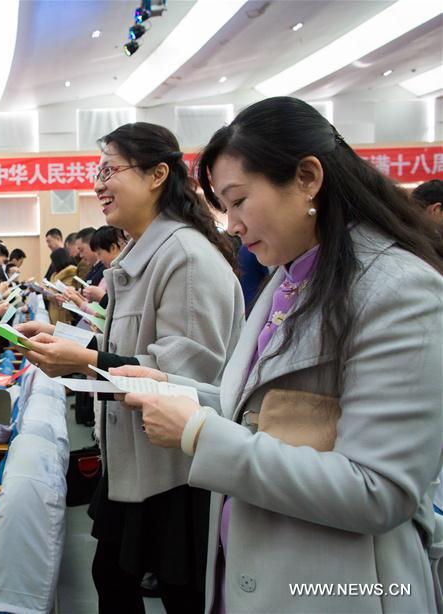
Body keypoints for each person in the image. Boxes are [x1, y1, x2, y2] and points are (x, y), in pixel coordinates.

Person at [118, 97, 443, 613]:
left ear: (308, 178)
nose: (231, 224)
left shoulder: (398, 290)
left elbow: (377, 489)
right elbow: (266, 411)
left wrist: (198, 433)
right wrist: (176, 391)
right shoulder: (292, 274)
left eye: (239, 200)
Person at [17, 122, 244, 613]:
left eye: (109, 171)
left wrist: (83, 360)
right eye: (97, 173)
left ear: (158, 174)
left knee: (174, 594)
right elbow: (127, 347)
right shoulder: (144, 252)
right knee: (113, 579)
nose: (98, 185)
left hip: (176, 474)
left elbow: (181, 377)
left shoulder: (185, 256)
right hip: (134, 461)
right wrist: (67, 342)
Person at [46, 247, 77, 325]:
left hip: (63, 313)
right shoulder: (55, 275)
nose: (52, 264)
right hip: (55, 311)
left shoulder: (71, 272)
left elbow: (65, 292)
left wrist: (48, 290)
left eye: (53, 261)